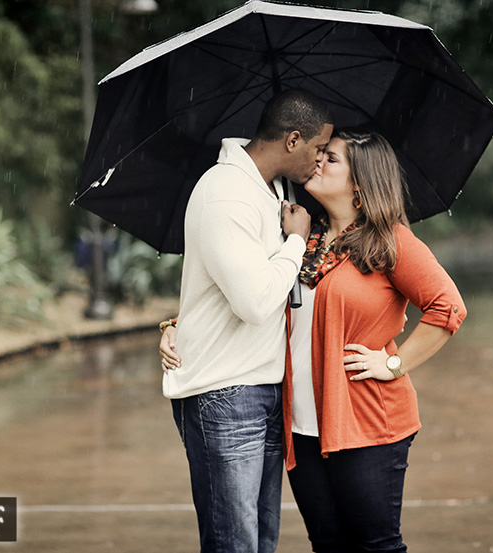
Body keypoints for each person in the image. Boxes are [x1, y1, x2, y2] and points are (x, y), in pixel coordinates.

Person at [162, 128, 465, 552]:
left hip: (365, 423)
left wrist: (391, 364)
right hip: (302, 427)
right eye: (320, 154)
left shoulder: (390, 241)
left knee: (376, 544)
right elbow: (252, 288)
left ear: (361, 183)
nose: (318, 161)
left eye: (332, 158)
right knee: (327, 542)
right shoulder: (304, 237)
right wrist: (178, 324)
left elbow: (447, 309)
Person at [161, 88, 334, 553]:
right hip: (226, 391)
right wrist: (294, 242)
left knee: (260, 540)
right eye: (319, 150)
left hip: (263, 385)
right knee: (233, 543)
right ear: (292, 140)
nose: (319, 163)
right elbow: (255, 302)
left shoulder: (272, 189)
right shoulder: (226, 193)